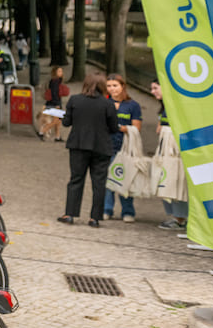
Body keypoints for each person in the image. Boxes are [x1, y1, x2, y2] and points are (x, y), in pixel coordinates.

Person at [58, 70, 120, 226]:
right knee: (99, 183)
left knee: (76, 179)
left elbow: (66, 123)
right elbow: (114, 128)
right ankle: (95, 218)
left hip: (78, 145)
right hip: (101, 146)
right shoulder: (108, 104)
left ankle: (70, 214)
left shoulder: (75, 100)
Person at [103, 73, 142, 222]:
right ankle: (107, 209)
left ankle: (128, 211)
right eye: (109, 86)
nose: (112, 89)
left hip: (125, 147)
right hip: (106, 145)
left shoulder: (132, 106)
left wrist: (118, 127)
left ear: (122, 86)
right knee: (108, 179)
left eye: (115, 85)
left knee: (125, 178)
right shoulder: (104, 102)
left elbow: (136, 127)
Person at [150, 80, 188, 230]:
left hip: (175, 155)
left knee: (176, 183)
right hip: (164, 153)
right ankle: (176, 216)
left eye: (155, 88)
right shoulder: (164, 108)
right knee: (165, 182)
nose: (153, 92)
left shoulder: (177, 107)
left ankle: (181, 218)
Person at [39, 66, 69, 142]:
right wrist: (57, 104)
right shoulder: (55, 81)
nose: (61, 73)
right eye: (59, 71)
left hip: (52, 103)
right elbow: (54, 93)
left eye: (61, 71)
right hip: (54, 103)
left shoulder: (55, 80)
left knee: (58, 121)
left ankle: (57, 136)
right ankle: (42, 131)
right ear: (55, 72)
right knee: (56, 121)